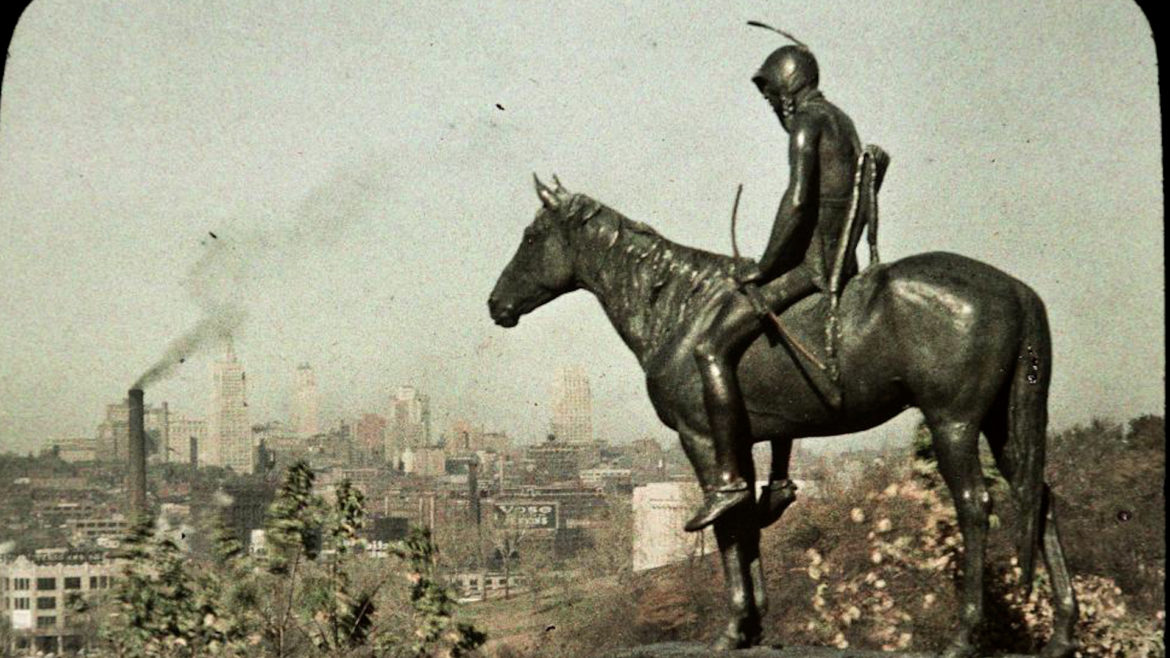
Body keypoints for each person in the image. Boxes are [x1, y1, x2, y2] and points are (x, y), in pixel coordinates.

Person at [685, 42, 863, 532]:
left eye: (770, 95)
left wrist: (763, 268)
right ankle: (779, 480)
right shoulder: (841, 121)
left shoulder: (808, 122)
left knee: (711, 347)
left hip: (815, 268)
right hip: (836, 261)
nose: (769, 105)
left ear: (786, 85)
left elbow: (800, 201)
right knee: (770, 337)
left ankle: (729, 480)